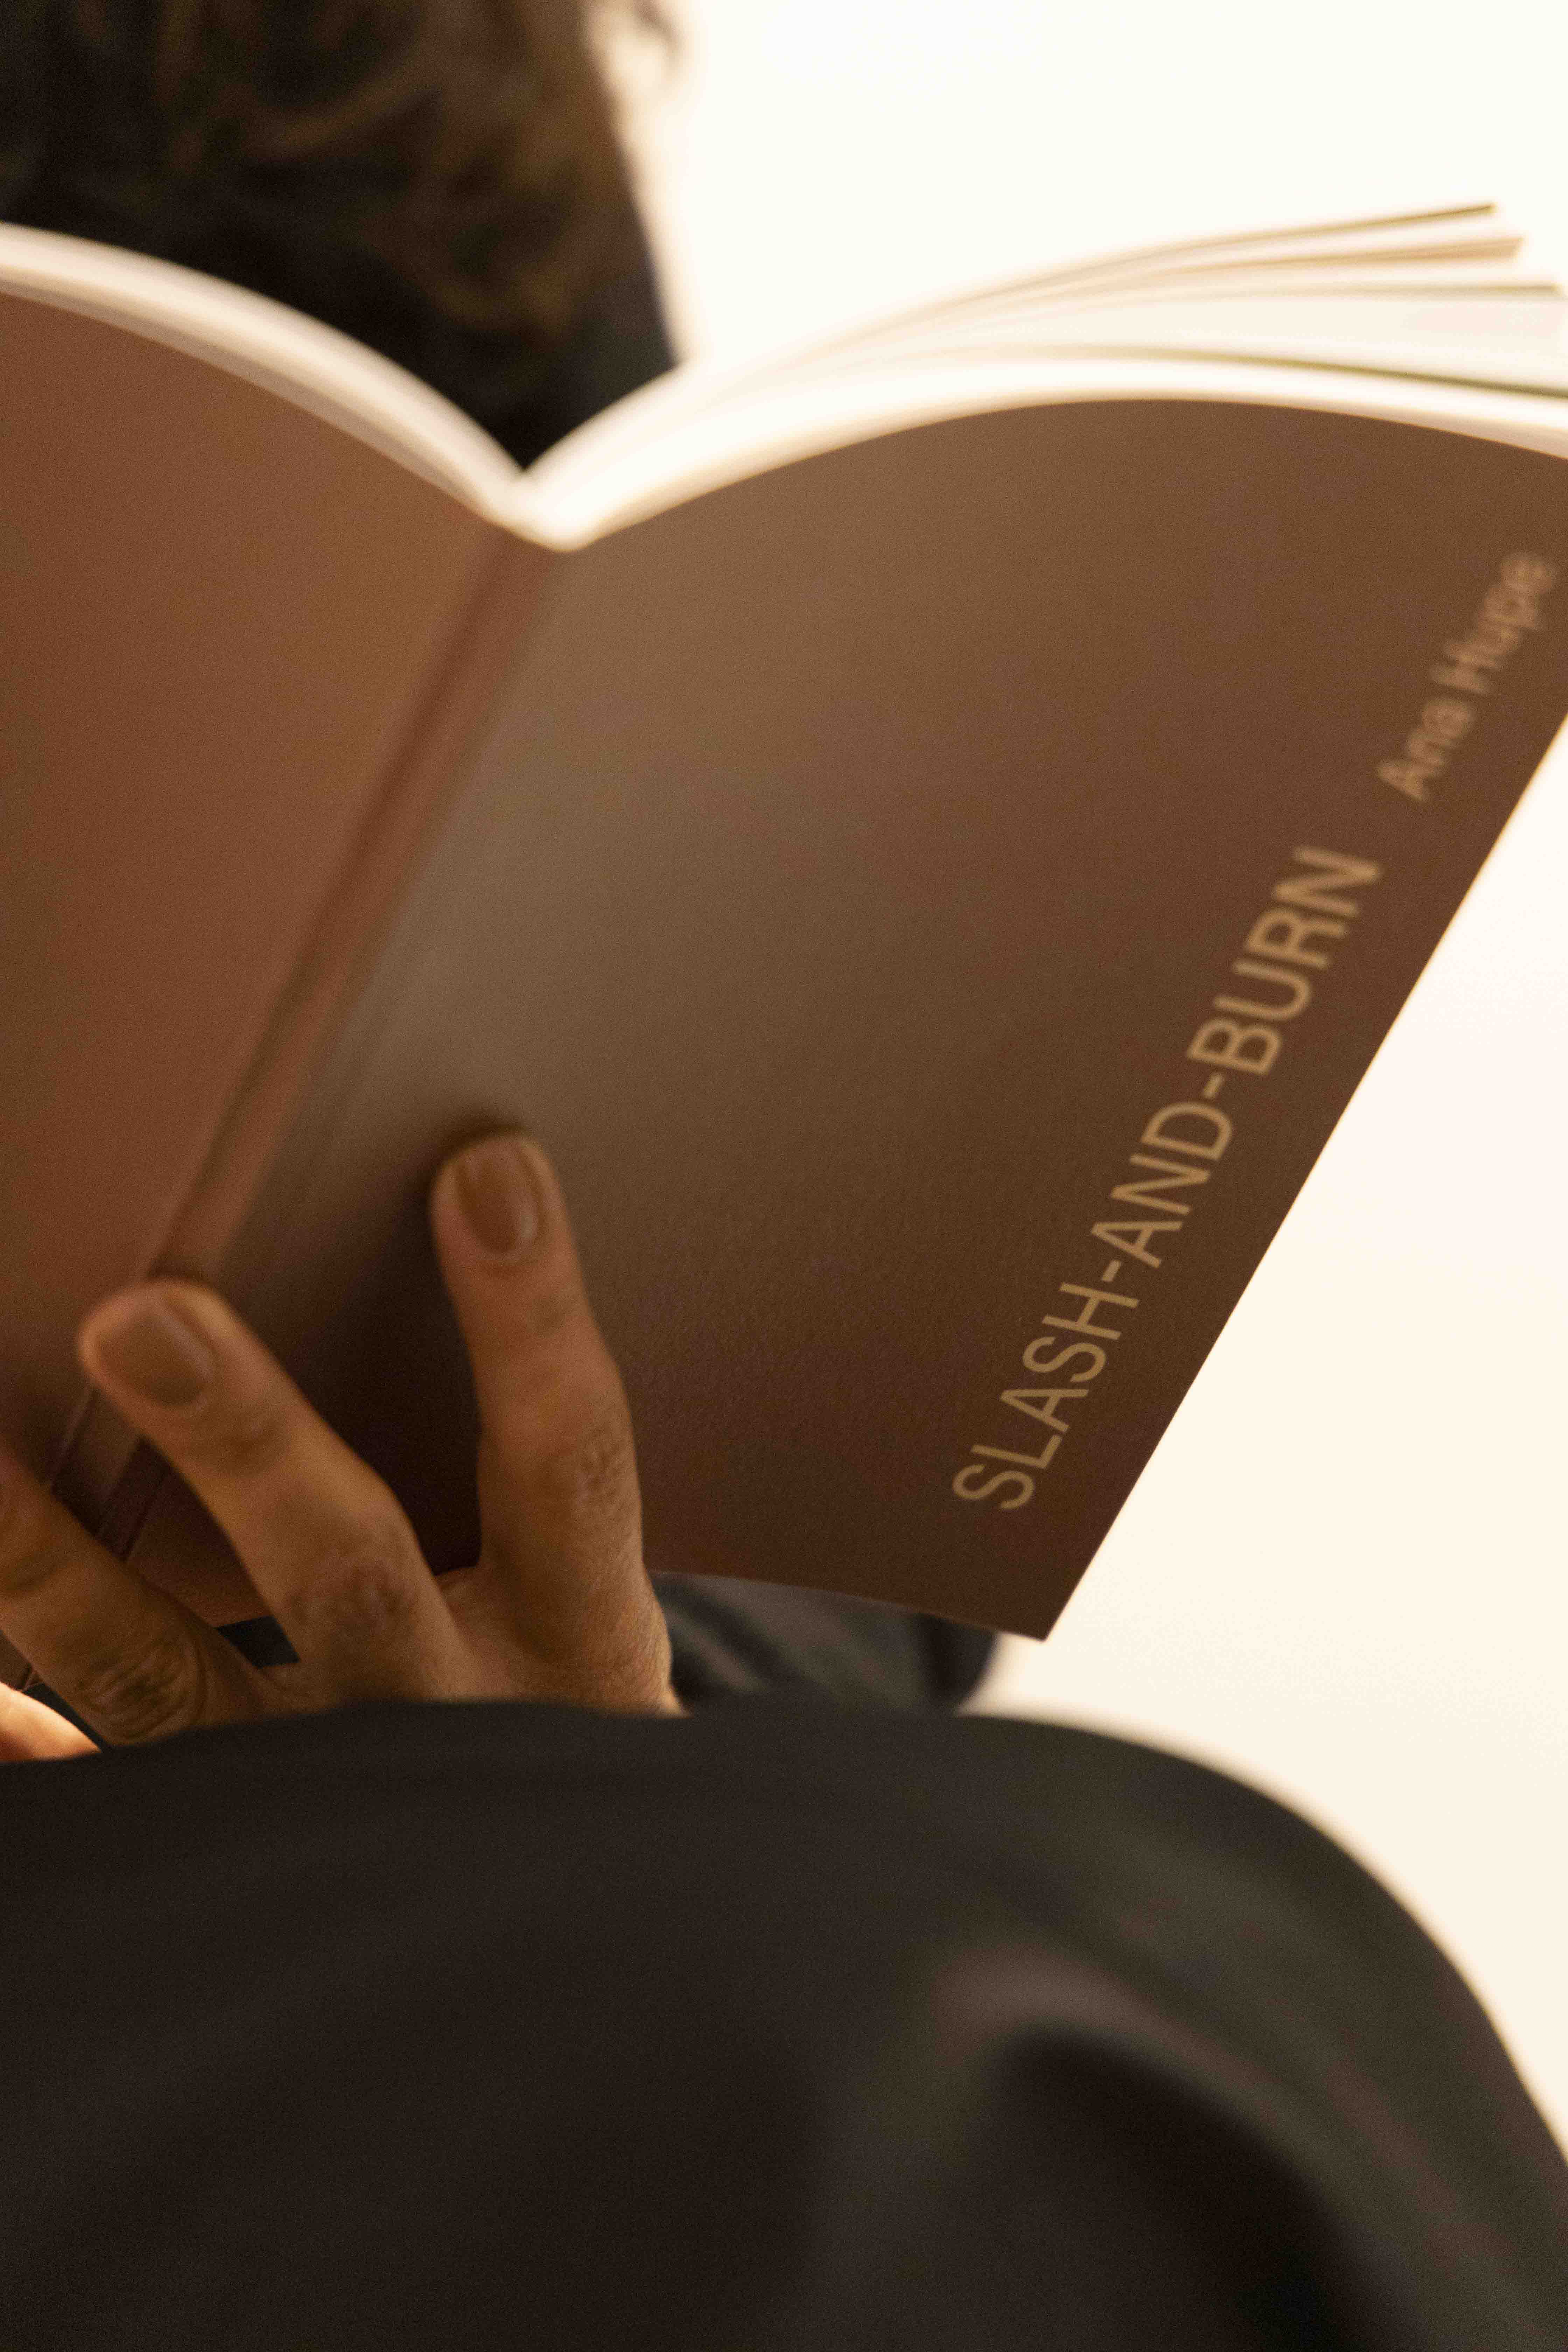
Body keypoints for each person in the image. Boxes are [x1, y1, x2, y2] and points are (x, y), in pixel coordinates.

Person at [2, 8, 1567, 2348]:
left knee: (1021, 1981)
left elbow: (637, 978)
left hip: (256, 1763)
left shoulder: (372, 65)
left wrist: (548, 1695)